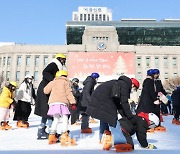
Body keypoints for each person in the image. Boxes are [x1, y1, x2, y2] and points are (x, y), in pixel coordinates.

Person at [86, 75, 137, 152]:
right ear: (132, 84)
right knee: (112, 119)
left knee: (104, 117)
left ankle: (103, 137)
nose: (132, 90)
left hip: (96, 99)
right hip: (104, 101)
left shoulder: (117, 83)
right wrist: (130, 117)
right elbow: (124, 103)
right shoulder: (124, 85)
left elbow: (118, 104)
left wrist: (124, 115)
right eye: (134, 88)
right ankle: (120, 142)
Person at [34, 53, 67, 139]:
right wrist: (54, 80)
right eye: (63, 59)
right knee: (47, 111)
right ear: (59, 59)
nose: (64, 61)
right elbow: (45, 72)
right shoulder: (54, 64)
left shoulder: (57, 66)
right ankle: (47, 131)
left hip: (47, 88)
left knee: (48, 111)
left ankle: (45, 130)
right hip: (45, 88)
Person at [44, 70, 76, 145]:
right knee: (65, 118)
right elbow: (69, 93)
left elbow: (45, 91)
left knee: (56, 119)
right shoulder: (66, 82)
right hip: (62, 103)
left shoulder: (53, 82)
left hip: (53, 103)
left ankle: (52, 136)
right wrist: (73, 102)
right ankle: (64, 135)